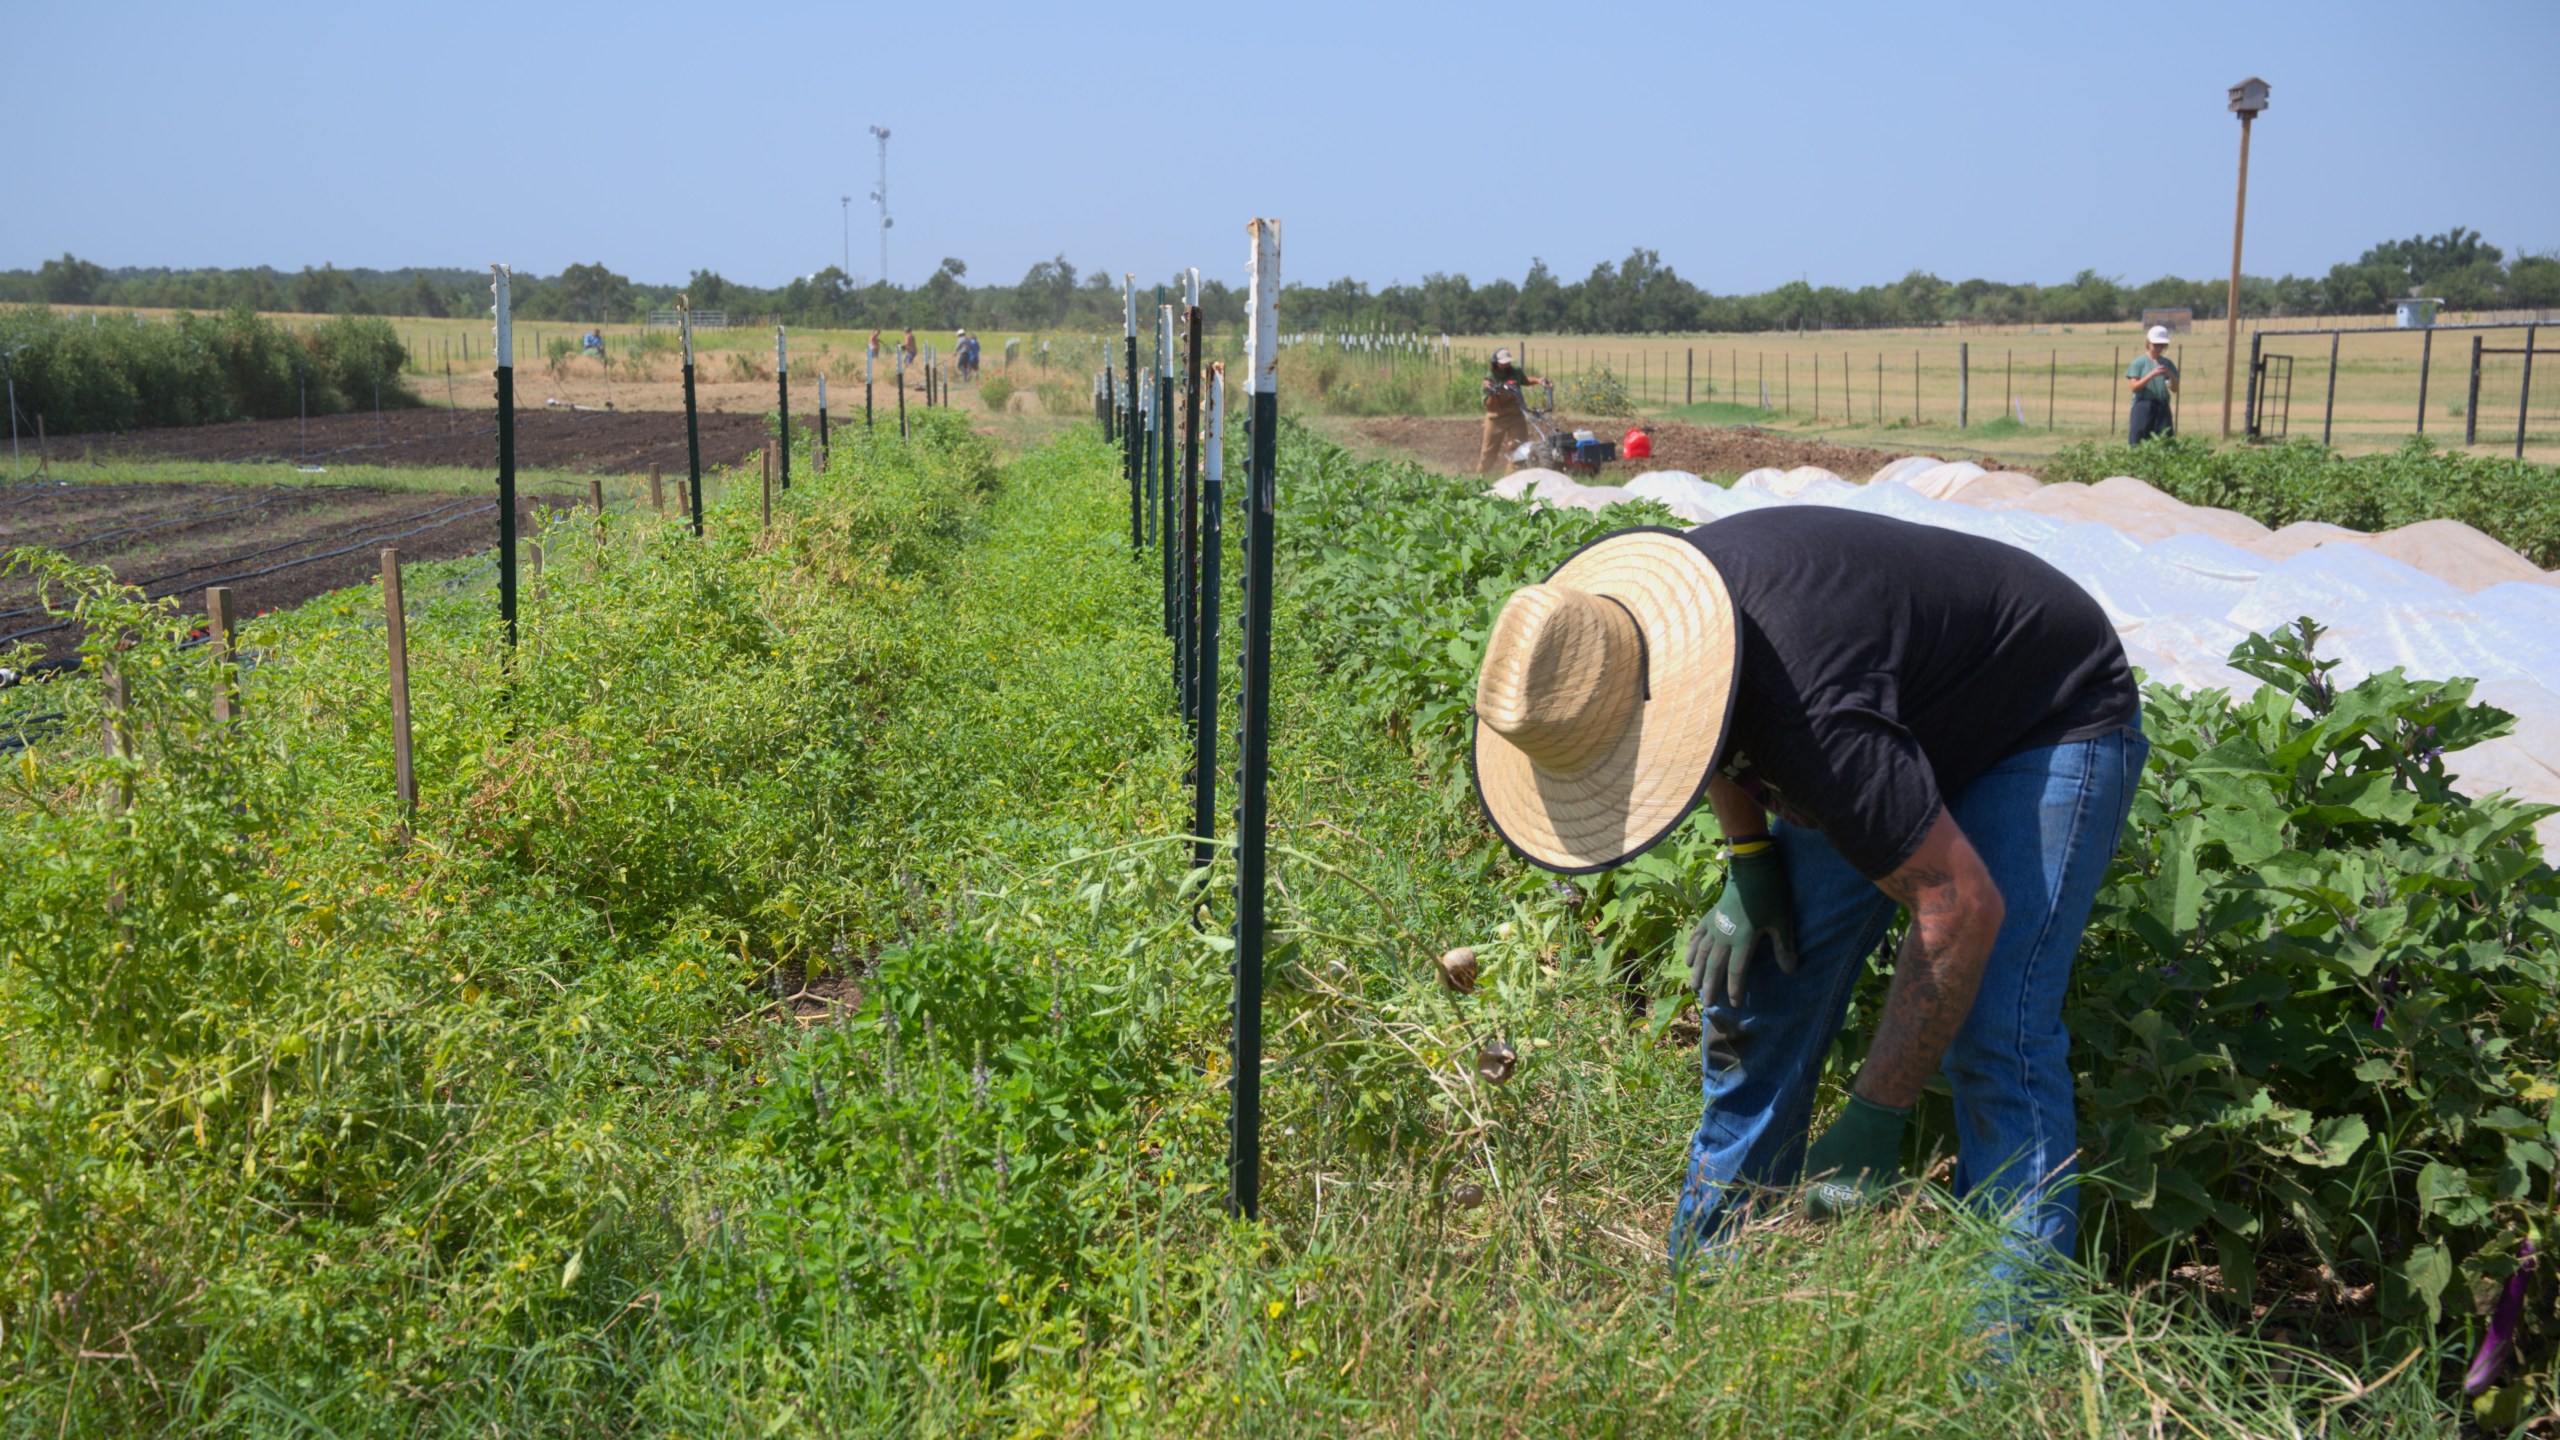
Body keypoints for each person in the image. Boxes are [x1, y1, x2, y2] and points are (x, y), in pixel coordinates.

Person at [1468, 512, 2144, 1300]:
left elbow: (1960, 906)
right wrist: (1749, 856)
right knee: (1764, 989)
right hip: (1878, 703)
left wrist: (1875, 1118)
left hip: (2043, 708)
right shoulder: (1649, 635)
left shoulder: (1814, 727)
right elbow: (1701, 722)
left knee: (1997, 1036)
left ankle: (2002, 1359)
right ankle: (1714, 1294)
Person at [1478, 348, 1547, 476]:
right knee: (1488, 451)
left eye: (1507, 362)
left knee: (1520, 447)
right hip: (1496, 418)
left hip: (1515, 415)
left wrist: (1538, 380)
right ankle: (1481, 477)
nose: (1506, 365)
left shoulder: (1514, 372)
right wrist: (1493, 392)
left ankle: (1512, 476)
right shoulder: (1489, 378)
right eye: (1502, 363)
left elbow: (1525, 380)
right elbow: (1489, 406)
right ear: (1495, 362)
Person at [2126, 325, 2179, 444]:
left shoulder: (2167, 364)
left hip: (2162, 406)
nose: (2159, 348)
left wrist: (2170, 375)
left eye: (2162, 345)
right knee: (2138, 443)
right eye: (2156, 345)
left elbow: (2175, 389)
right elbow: (2134, 387)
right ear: (2148, 343)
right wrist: (2152, 374)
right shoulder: (2139, 363)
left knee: (2165, 442)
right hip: (2143, 405)